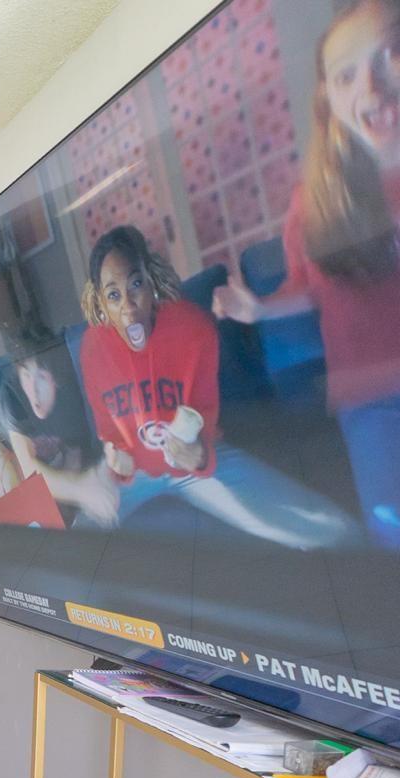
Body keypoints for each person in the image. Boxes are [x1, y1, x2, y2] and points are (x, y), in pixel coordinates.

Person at [213, 0, 400, 550]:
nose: (370, 85)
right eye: (346, 75)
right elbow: (308, 286)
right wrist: (261, 308)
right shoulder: (315, 200)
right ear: (329, 99)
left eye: (389, 54)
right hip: (371, 401)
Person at [79, 225, 357, 548]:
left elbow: (204, 418)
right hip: (135, 474)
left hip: (196, 457)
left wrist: (198, 456)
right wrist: (117, 458)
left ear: (150, 280)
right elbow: (109, 430)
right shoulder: (92, 349)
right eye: (113, 295)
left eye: (135, 284)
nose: (128, 306)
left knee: (330, 529)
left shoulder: (194, 330)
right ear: (100, 302)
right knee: (76, 538)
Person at [0, 344, 120, 525]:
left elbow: (77, 454)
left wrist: (88, 486)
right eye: (26, 375)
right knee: (11, 489)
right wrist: (83, 492)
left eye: (41, 377)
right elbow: (29, 470)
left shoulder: (71, 398)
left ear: (56, 381)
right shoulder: (13, 397)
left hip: (50, 457)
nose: (33, 390)